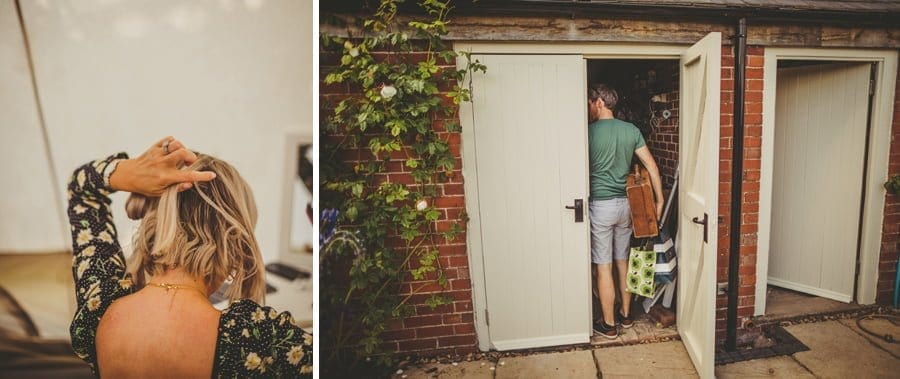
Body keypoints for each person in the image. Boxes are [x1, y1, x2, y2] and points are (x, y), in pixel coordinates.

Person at [67, 137, 313, 377]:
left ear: (157, 221)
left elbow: (81, 191)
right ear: (235, 245)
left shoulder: (99, 303)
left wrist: (129, 172)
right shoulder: (253, 338)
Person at [587, 84, 663, 339]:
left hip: (600, 207)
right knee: (623, 260)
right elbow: (651, 166)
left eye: (590, 103)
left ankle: (608, 325)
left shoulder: (587, 133)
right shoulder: (631, 130)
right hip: (625, 205)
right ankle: (626, 315)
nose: (589, 108)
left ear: (599, 102)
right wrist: (659, 200)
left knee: (603, 266)